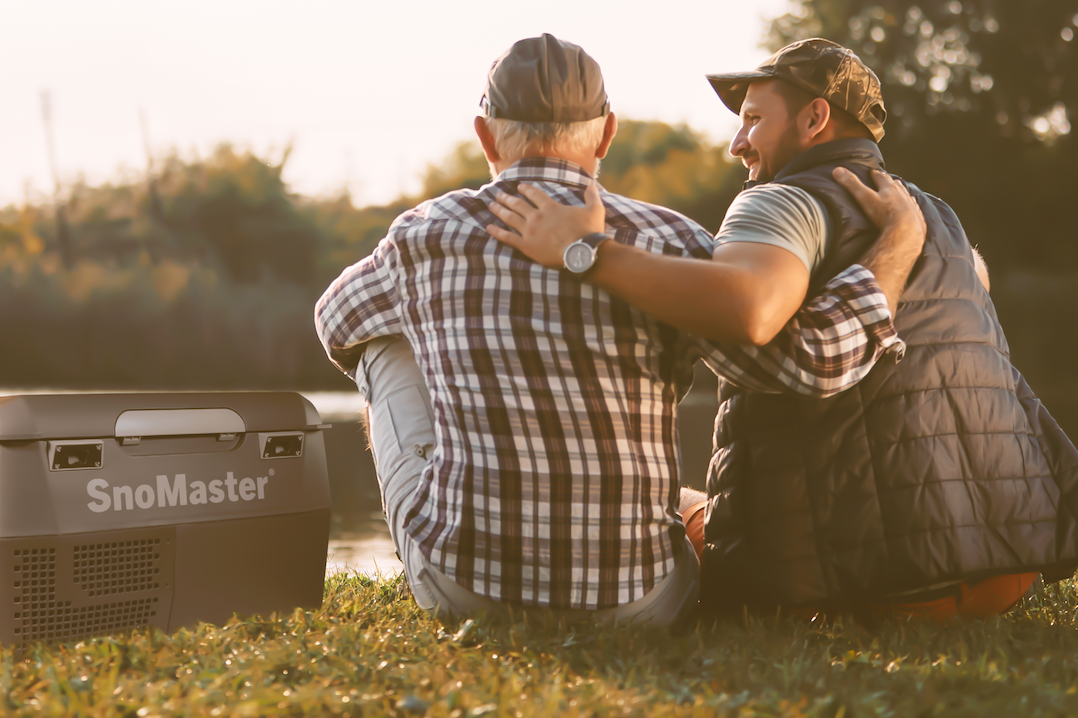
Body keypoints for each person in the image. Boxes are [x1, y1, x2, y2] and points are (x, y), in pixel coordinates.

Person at [315, 34, 925, 626]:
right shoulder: (674, 242)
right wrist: (895, 251)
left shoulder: (420, 234)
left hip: (462, 591)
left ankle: (458, 518)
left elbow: (335, 322)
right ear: (608, 131)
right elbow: (804, 365)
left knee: (379, 338)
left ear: (484, 136)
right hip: (645, 602)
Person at [488, 37, 1078, 619]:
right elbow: (976, 279)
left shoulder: (777, 202)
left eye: (753, 119)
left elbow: (751, 313)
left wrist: (587, 250)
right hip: (1004, 574)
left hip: (870, 589)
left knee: (670, 504)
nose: (735, 144)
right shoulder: (931, 215)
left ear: (815, 118)